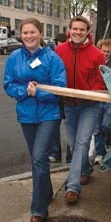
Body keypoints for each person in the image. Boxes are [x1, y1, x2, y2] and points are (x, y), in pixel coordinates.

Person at [3, 18, 66, 222]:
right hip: (26, 115)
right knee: (36, 159)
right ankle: (46, 192)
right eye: (25, 33)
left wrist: (37, 92)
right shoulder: (14, 58)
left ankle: (38, 209)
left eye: (32, 32)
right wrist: (25, 92)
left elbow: (59, 88)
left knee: (39, 158)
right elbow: (8, 84)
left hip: (49, 115)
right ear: (20, 35)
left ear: (40, 34)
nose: (28, 36)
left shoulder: (52, 58)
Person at [56, 16, 106, 204]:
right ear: (69, 30)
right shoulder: (60, 51)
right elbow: (54, 74)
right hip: (69, 104)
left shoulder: (97, 54)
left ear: (88, 32)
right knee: (72, 143)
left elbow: (100, 81)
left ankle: (72, 187)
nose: (78, 32)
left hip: (89, 106)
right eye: (74, 29)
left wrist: (89, 93)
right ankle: (85, 169)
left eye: (81, 29)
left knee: (82, 142)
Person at [90, 39, 111, 165]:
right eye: (103, 51)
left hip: (110, 96)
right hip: (97, 96)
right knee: (97, 128)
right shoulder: (94, 58)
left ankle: (109, 139)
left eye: (108, 52)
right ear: (99, 49)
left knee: (106, 124)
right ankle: (99, 153)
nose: (106, 54)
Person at [48, 33, 68, 163]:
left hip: (69, 95)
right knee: (54, 126)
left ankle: (71, 156)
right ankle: (55, 153)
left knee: (72, 127)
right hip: (56, 97)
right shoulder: (52, 57)